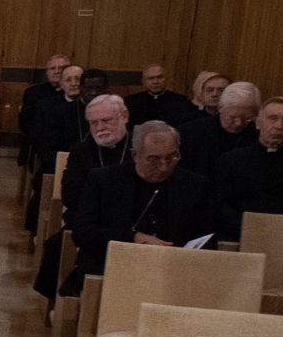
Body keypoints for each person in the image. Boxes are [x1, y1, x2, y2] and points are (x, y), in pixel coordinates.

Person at [68, 120, 214, 280]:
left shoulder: (195, 185)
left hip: (174, 271)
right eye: (154, 159)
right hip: (114, 266)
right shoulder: (104, 181)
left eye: (171, 157)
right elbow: (83, 233)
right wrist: (134, 238)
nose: (164, 167)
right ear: (135, 155)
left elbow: (206, 235)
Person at [34, 94, 130, 301]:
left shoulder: (139, 150)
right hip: (89, 221)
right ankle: (62, 303)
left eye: (106, 120)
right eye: (94, 123)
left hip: (130, 222)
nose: (100, 128)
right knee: (54, 247)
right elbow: (71, 196)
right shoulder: (81, 152)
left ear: (125, 116)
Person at [213, 98, 283, 240]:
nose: (279, 126)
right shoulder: (230, 161)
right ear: (258, 123)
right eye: (273, 118)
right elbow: (219, 205)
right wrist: (251, 228)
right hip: (238, 236)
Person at [23, 63, 87, 230]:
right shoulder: (46, 106)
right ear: (61, 84)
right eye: (68, 80)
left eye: (78, 79)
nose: (74, 83)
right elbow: (40, 142)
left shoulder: (92, 108)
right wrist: (62, 164)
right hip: (54, 163)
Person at [178, 79, 261, 175]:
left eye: (247, 118)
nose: (239, 123)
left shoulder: (259, 135)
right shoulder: (190, 132)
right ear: (220, 107)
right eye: (233, 117)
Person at [125, 62, 188, 128]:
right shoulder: (131, 101)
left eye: (160, 77)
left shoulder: (180, 100)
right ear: (143, 81)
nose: (156, 82)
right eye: (151, 78)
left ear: (166, 79)